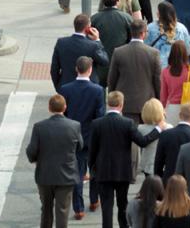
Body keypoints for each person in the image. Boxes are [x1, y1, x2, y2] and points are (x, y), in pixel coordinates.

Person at [89, 90, 162, 228]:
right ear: (121, 105)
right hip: (122, 172)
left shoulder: (97, 124)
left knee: (106, 207)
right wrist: (157, 130)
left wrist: (92, 168)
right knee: (122, 204)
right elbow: (143, 141)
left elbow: (92, 150)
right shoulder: (127, 123)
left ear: (108, 104)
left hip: (103, 172)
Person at [26, 93, 83, 228]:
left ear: (49, 108)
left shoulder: (39, 127)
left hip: (45, 175)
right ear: (65, 107)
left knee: (46, 210)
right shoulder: (74, 126)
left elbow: (31, 151)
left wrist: (35, 160)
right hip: (66, 176)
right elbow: (80, 146)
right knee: (62, 211)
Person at [60, 56, 105, 218]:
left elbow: (63, 114)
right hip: (92, 136)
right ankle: (94, 201)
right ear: (90, 70)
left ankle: (78, 208)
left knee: (77, 173)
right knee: (94, 171)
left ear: (76, 69)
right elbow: (100, 116)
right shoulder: (98, 90)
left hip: (73, 136)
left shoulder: (65, 89)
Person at [107, 18, 162, 123]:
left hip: (125, 102)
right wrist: (159, 100)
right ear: (143, 33)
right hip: (147, 103)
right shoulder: (154, 53)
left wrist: (112, 100)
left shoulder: (118, 52)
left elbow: (112, 79)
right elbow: (157, 80)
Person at [50, 13, 109, 90]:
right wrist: (97, 40)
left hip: (65, 86)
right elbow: (104, 61)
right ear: (87, 28)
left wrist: (58, 86)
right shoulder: (93, 45)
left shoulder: (61, 43)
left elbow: (54, 69)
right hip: (89, 88)